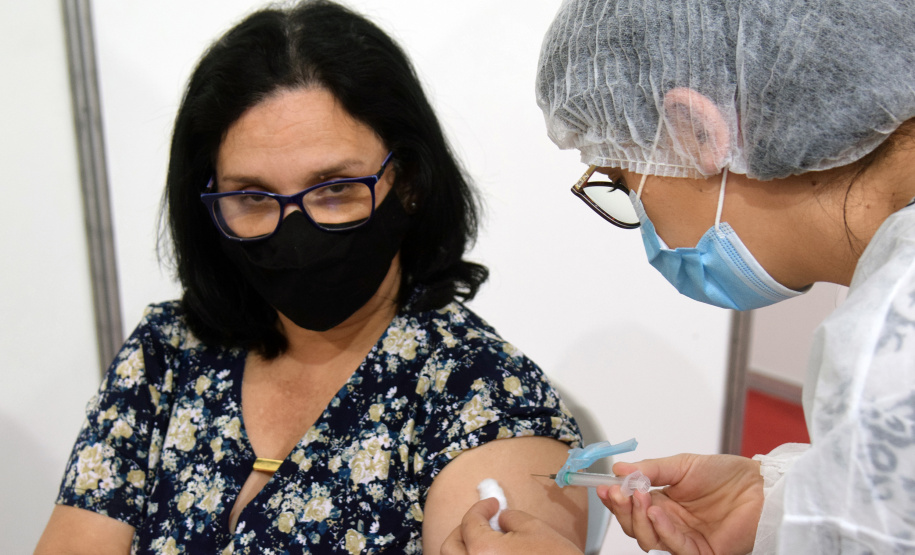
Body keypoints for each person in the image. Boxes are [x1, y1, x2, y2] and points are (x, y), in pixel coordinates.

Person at [34, 2, 588, 553]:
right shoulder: (167, 355)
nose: (296, 235)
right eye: (252, 196)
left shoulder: (482, 395)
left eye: (336, 188)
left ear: (410, 181)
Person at [443, 0, 915, 554]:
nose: (647, 230)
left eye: (622, 183)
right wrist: (780, 504)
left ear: (696, 131)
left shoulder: (890, 342)